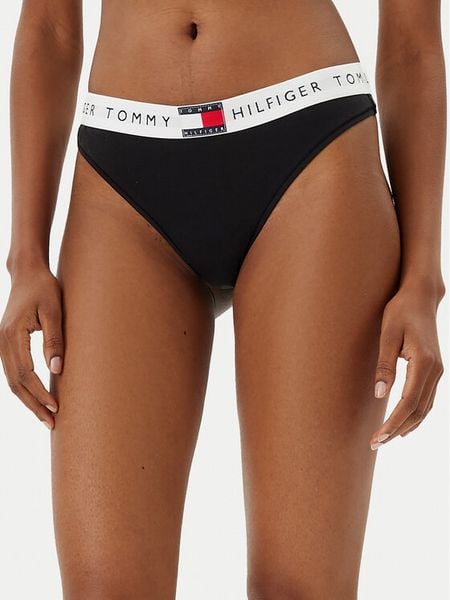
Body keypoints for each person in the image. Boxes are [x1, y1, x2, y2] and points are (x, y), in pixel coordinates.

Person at [0, 0, 446, 598]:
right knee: (105, 589)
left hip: (309, 151)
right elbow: (50, 28)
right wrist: (26, 256)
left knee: (298, 590)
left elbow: (412, 43)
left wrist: (423, 279)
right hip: (122, 170)